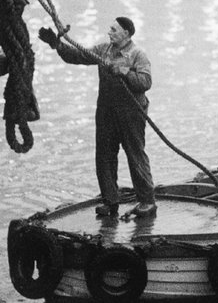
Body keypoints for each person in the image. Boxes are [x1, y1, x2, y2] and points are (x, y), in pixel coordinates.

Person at [39, 17, 156, 218]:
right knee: (104, 157)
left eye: (114, 29)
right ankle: (110, 201)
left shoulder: (137, 55)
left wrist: (125, 72)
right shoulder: (104, 50)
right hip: (106, 111)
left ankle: (147, 201)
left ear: (126, 33)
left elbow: (145, 82)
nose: (109, 32)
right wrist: (57, 44)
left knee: (135, 155)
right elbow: (78, 56)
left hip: (131, 113)